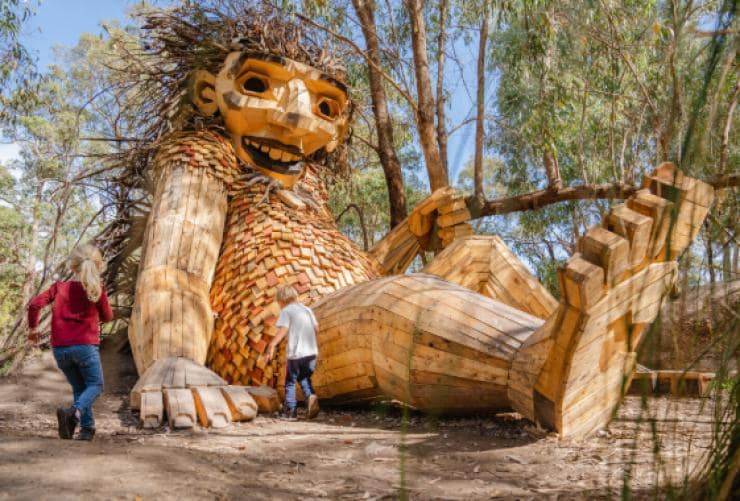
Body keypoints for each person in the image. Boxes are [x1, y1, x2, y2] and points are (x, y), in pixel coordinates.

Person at [27, 244, 113, 441]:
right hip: (85, 348)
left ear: (72, 267)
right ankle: (73, 414)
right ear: (98, 266)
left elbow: (34, 305)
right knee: (96, 385)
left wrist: (33, 329)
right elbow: (108, 317)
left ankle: (85, 430)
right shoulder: (96, 290)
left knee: (79, 388)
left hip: (60, 350)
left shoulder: (59, 287)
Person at [266, 284, 320, 420]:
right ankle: (310, 397)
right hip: (311, 353)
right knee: (304, 378)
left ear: (282, 300)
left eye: (278, 303)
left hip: (296, 354)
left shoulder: (287, 311)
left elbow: (283, 329)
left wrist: (272, 344)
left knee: (290, 381)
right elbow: (316, 329)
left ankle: (291, 411)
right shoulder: (307, 310)